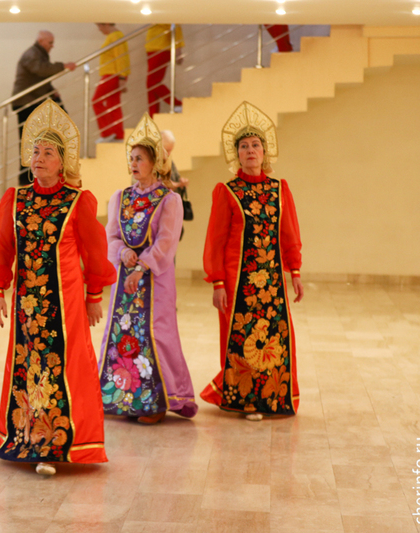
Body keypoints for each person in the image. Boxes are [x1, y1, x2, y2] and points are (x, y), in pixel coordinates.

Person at [0, 100, 116, 476]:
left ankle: (62, 443)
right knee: (29, 365)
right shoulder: (16, 200)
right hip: (28, 303)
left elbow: (95, 251)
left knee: (64, 364)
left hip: (67, 300)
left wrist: (93, 297)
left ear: (63, 161)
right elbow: (2, 249)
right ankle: (28, 438)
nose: (39, 159)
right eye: (35, 152)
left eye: (48, 153)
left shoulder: (77, 201)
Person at [200, 101, 303, 421]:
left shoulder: (278, 189)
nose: (250, 150)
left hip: (271, 281)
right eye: (243, 146)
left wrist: (295, 271)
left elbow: (289, 233)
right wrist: (218, 281)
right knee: (242, 336)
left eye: (255, 145)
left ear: (264, 151)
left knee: (274, 334)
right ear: (237, 155)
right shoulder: (227, 191)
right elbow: (215, 240)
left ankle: (272, 394)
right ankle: (246, 398)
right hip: (237, 279)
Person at [98, 113, 197, 425]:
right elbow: (110, 236)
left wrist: (141, 266)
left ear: (155, 162)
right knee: (122, 333)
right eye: (131, 158)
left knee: (155, 334)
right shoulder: (119, 198)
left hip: (155, 282)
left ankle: (155, 402)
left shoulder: (169, 200)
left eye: (139, 158)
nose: (133, 163)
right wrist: (124, 252)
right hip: (123, 280)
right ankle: (123, 397)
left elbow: (167, 243)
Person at [12, 30, 77, 185]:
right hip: (27, 102)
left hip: (32, 101)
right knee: (30, 142)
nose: (52, 46)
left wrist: (51, 91)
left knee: (37, 140)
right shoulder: (32, 54)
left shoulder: (38, 53)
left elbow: (40, 76)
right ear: (41, 41)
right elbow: (41, 69)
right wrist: (64, 66)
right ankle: (25, 179)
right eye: (50, 43)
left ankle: (33, 174)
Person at [93, 23, 130, 142]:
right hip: (114, 74)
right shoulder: (114, 36)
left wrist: (122, 78)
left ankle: (107, 133)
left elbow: (121, 57)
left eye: (99, 26)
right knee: (113, 105)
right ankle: (118, 134)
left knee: (96, 101)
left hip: (112, 75)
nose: (99, 29)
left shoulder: (115, 36)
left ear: (106, 24)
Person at [146, 24, 185, 117]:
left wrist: (178, 51)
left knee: (152, 82)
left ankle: (177, 104)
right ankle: (153, 115)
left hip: (161, 49)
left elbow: (176, 27)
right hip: (152, 49)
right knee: (151, 85)